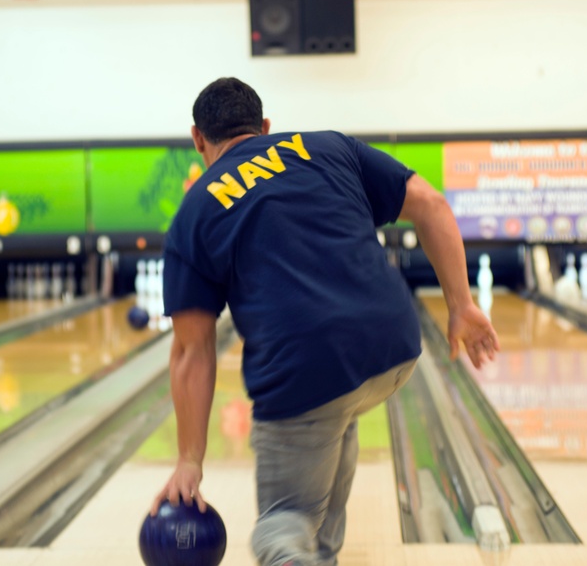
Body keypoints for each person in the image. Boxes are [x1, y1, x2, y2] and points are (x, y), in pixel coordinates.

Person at [151, 77, 499, 566]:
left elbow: (192, 350)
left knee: (283, 522)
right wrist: (461, 306)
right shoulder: (329, 147)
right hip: (394, 347)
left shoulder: (194, 211)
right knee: (336, 415)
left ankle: (292, 554)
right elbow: (433, 205)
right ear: (267, 127)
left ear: (198, 139)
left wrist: (190, 461)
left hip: (304, 369)